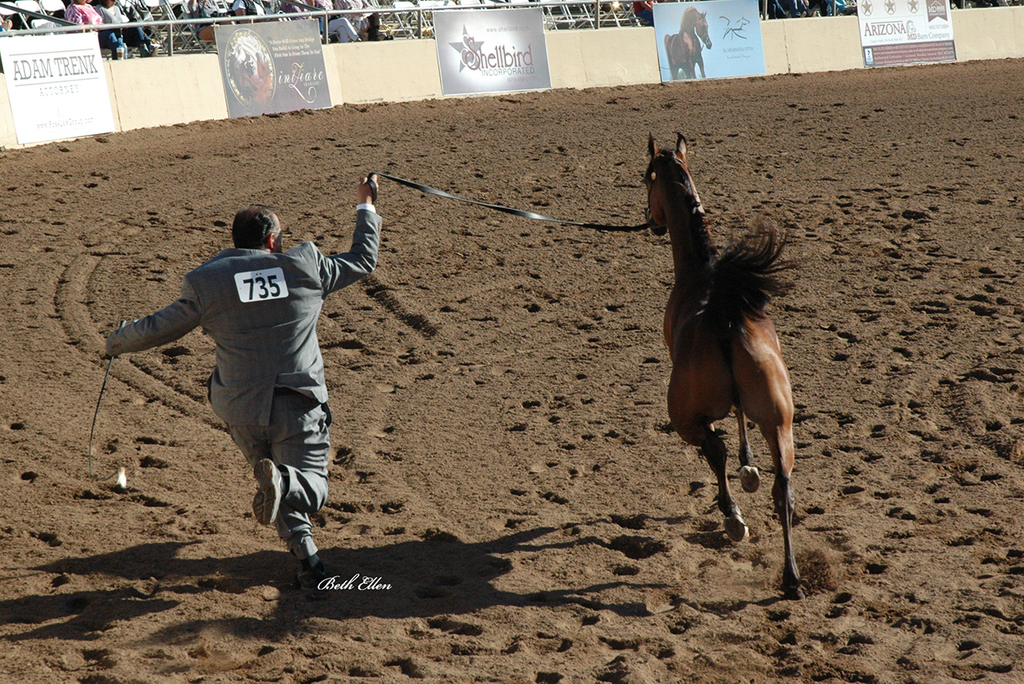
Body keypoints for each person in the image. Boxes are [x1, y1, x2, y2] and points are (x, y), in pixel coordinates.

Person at [106, 177, 383, 590]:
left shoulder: (208, 282)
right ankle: (286, 485)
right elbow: (363, 258)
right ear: (272, 241)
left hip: (240, 410)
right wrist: (366, 204)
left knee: (273, 484)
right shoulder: (304, 265)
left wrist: (116, 340)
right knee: (310, 488)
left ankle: (308, 559)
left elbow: (157, 328)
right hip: (296, 405)